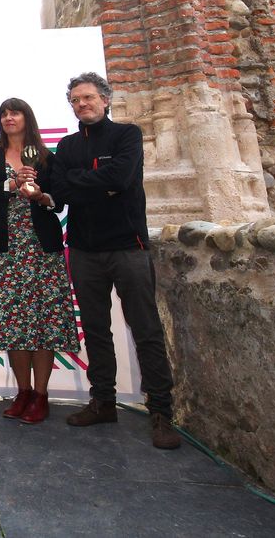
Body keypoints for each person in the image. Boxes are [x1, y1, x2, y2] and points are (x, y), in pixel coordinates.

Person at [45, 72, 180, 450]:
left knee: (146, 329)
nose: (81, 104)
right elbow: (58, 192)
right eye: (75, 99)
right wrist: (93, 182)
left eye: (87, 97)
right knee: (95, 328)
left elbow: (121, 179)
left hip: (128, 247)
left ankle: (161, 413)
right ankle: (102, 401)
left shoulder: (127, 135)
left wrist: (81, 181)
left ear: (105, 100)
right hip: (84, 250)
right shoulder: (68, 146)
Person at [0, 98, 78, 422]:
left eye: (14, 112)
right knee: (13, 323)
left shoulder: (47, 157)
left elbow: (58, 200)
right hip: (6, 251)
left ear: (26, 118)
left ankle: (42, 395)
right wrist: (11, 182)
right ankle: (23, 392)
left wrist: (40, 196)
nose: (8, 118)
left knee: (45, 322)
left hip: (41, 249)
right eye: (3, 113)